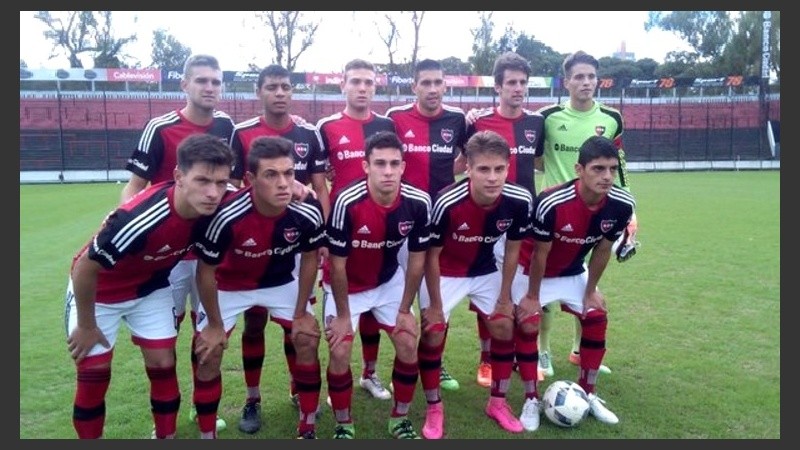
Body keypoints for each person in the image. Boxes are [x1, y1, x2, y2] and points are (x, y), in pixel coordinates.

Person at [65, 134, 235, 439]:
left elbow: (255, 196)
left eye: (221, 183)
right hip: (99, 293)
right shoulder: (139, 218)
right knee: (94, 374)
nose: (213, 193)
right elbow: (84, 269)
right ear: (178, 177)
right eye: (203, 181)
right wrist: (87, 325)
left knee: (163, 364)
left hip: (150, 288)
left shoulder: (218, 205)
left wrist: (299, 190)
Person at [120, 53, 234, 433]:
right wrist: (135, 233)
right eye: (201, 80)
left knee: (208, 340)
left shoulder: (226, 126)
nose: (210, 88)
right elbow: (135, 188)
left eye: (216, 82)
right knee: (163, 342)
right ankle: (164, 421)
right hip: (166, 256)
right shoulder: (161, 127)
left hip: (209, 255)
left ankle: (202, 419)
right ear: (184, 85)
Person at [192, 136, 326, 439]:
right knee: (208, 351)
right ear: (250, 179)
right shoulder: (225, 215)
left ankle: (307, 429)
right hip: (229, 285)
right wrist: (213, 324)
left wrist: (302, 311)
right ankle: (221, 424)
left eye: (289, 173)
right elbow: (206, 272)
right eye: (271, 175)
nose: (283, 183)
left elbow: (308, 260)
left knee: (306, 337)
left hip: (279, 282)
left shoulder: (307, 211)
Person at [228, 64, 330, 433]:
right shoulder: (240, 134)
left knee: (297, 327)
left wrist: (323, 239)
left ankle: (297, 388)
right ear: (260, 91)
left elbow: (321, 188)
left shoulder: (309, 132)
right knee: (253, 323)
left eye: (286, 86)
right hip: (248, 246)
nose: (280, 93)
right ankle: (252, 399)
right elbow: (230, 188)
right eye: (272, 87)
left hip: (295, 243)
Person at [513, 135, 636, 426]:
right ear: (579, 169)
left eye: (611, 169)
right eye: (598, 169)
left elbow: (603, 249)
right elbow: (539, 254)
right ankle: (531, 399)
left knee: (596, 315)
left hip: (572, 269)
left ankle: (588, 393)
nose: (607, 176)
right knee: (528, 321)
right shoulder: (551, 202)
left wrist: (591, 290)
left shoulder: (621, 204)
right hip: (532, 271)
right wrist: (532, 296)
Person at [418, 130, 533, 438]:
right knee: (432, 332)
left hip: (484, 270)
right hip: (444, 272)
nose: (492, 177)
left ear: (508, 168)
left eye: (499, 169)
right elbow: (431, 256)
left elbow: (512, 249)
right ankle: (434, 408)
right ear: (467, 168)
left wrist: (505, 297)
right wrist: (436, 306)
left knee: (504, 325)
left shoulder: (519, 200)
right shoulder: (446, 202)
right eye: (483, 169)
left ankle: (497, 402)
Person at [531, 50, 639, 378]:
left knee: (588, 281)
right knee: (547, 282)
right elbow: (535, 159)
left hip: (598, 211)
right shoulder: (546, 117)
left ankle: (579, 350)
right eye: (579, 77)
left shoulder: (611, 118)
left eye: (591, 76)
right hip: (556, 213)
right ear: (566, 82)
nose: (586, 82)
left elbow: (617, 166)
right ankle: (543, 351)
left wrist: (632, 210)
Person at [323, 130, 431, 439]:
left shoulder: (418, 202)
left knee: (409, 341)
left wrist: (404, 309)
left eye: (394, 164)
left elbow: (417, 261)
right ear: (365, 166)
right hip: (346, 286)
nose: (388, 171)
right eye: (379, 163)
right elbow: (338, 266)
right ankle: (344, 423)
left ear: (403, 167)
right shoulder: (346, 201)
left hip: (388, 281)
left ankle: (399, 419)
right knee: (340, 350)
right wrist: (343, 316)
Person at [385, 58, 468, 391]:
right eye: (426, 83)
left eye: (438, 83)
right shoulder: (395, 117)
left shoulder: (459, 119)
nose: (432, 89)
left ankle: (437, 362)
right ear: (414, 86)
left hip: (443, 222)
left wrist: (453, 172)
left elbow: (471, 155)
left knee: (436, 299)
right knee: (393, 294)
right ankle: (385, 365)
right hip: (403, 222)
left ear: (445, 85)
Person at [317, 58, 397, 401]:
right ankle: (318, 386)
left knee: (376, 303)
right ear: (343, 85)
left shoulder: (387, 124)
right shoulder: (326, 126)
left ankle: (370, 373)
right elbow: (319, 181)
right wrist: (325, 224)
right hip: (342, 231)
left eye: (368, 82)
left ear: (375, 87)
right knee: (348, 299)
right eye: (356, 82)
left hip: (383, 228)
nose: (362, 88)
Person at [465, 51, 544, 388]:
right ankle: (486, 358)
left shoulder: (537, 123)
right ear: (497, 86)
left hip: (523, 219)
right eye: (511, 82)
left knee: (520, 289)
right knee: (490, 290)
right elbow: (463, 162)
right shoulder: (477, 121)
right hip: (486, 220)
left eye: (522, 83)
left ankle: (520, 355)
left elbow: (541, 163)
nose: (518, 88)